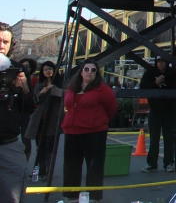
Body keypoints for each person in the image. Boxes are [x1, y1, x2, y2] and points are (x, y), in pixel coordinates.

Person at [61, 59, 118, 202]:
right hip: (72, 131)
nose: (89, 72)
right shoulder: (72, 88)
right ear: (81, 72)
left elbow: (112, 108)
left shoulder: (103, 89)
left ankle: (94, 197)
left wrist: (99, 121)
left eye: (93, 70)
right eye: (86, 69)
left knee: (94, 166)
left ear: (96, 73)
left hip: (94, 132)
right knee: (71, 165)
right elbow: (67, 105)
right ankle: (70, 196)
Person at [0, 23, 34, 203]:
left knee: (12, 197)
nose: (1, 46)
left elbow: (29, 109)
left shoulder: (18, 69)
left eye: (6, 42)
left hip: (9, 144)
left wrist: (25, 90)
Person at [140, 55, 176, 173]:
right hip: (154, 110)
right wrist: (155, 83)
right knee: (154, 139)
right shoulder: (150, 73)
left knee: (169, 139)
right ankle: (151, 164)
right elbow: (142, 86)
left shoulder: (172, 73)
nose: (160, 64)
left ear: (167, 63)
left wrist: (166, 75)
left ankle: (169, 163)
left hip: (169, 111)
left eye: (163, 61)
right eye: (158, 61)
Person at [25, 61, 63, 179]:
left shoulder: (60, 82)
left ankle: (48, 170)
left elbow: (63, 95)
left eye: (50, 69)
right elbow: (35, 99)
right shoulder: (39, 84)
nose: (48, 71)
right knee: (40, 146)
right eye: (45, 69)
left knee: (49, 146)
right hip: (40, 118)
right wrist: (42, 92)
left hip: (52, 118)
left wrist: (53, 88)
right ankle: (41, 170)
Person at [18, 58, 37, 163]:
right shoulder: (15, 78)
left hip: (28, 113)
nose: (25, 68)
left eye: (27, 66)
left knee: (26, 139)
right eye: (22, 65)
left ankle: (25, 162)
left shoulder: (35, 80)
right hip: (17, 112)